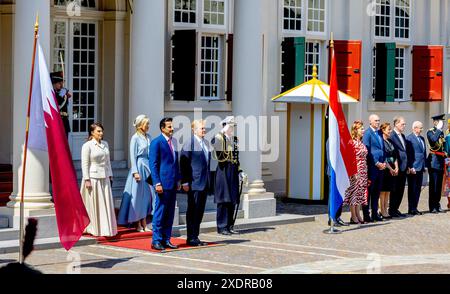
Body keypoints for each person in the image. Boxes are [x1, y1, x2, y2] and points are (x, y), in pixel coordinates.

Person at [117, 115, 155, 232]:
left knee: (147, 197)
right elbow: (132, 156)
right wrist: (135, 172)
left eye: (148, 124)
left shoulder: (148, 137)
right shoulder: (135, 138)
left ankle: (144, 222)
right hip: (139, 166)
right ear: (140, 125)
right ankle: (137, 223)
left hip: (148, 166)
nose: (148, 126)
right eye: (146, 124)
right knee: (137, 197)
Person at [149, 118, 182, 251]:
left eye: (172, 126)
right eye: (169, 127)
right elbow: (153, 164)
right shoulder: (156, 142)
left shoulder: (173, 142)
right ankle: (156, 240)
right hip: (162, 183)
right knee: (160, 212)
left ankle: (166, 239)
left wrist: (178, 179)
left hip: (172, 183)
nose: (172, 129)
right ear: (162, 128)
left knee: (170, 213)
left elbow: (175, 162)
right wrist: (157, 182)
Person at [80, 123, 117, 237]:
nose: (101, 133)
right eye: (98, 131)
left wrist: (110, 174)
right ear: (92, 132)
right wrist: (87, 179)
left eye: (102, 131)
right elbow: (85, 163)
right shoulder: (87, 145)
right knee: (93, 204)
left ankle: (105, 228)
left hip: (104, 177)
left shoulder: (105, 144)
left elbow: (108, 162)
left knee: (104, 203)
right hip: (93, 178)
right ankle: (92, 227)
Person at [180, 120, 212, 246]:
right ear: (194, 129)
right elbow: (184, 163)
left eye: (204, 128)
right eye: (201, 128)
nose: (204, 130)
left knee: (199, 211)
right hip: (194, 182)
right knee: (193, 211)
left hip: (203, 182)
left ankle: (195, 236)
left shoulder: (205, 143)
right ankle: (190, 237)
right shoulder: (190, 143)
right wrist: (185, 182)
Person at [211, 117, 241, 236]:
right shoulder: (218, 138)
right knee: (224, 199)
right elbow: (219, 156)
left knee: (232, 198)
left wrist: (240, 170)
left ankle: (229, 225)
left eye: (233, 126)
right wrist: (222, 134)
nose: (232, 128)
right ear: (225, 126)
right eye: (230, 126)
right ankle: (222, 226)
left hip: (232, 170)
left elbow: (236, 157)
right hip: (223, 170)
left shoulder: (234, 139)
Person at [344, 121, 368, 224]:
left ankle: (358, 214)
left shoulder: (361, 142)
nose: (363, 131)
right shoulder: (352, 143)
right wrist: (353, 172)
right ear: (355, 130)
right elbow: (349, 159)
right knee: (354, 193)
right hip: (356, 171)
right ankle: (353, 216)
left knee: (360, 193)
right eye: (361, 129)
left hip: (363, 170)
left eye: (363, 129)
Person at [363, 114, 386, 222]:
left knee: (377, 192)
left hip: (381, 167)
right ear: (370, 121)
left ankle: (375, 213)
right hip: (372, 167)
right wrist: (376, 162)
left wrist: (384, 162)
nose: (378, 122)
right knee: (369, 192)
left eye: (379, 120)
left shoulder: (379, 133)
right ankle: (366, 214)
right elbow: (367, 151)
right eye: (376, 120)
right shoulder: (368, 133)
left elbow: (382, 149)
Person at [426, 114, 447, 214]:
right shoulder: (430, 132)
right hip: (433, 161)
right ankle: (432, 206)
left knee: (438, 185)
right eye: (439, 121)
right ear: (435, 122)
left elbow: (442, 146)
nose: (441, 123)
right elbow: (433, 141)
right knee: (433, 185)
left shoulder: (441, 133)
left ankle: (437, 204)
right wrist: (438, 130)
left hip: (440, 160)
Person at [389, 117, 408, 218]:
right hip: (396, 166)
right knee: (395, 189)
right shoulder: (392, 135)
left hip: (404, 166)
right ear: (396, 124)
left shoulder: (403, 136)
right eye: (402, 124)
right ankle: (392, 209)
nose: (404, 126)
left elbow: (405, 151)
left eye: (404, 124)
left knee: (401, 189)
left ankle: (396, 208)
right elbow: (392, 151)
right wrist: (394, 165)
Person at [326, 139, 348, 227]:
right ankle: (332, 218)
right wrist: (333, 170)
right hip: (333, 172)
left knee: (340, 194)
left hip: (341, 172)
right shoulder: (331, 139)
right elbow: (329, 157)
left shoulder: (341, 139)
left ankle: (338, 217)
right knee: (333, 196)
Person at [406, 121, 427, 215]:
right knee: (412, 189)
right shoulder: (409, 138)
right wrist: (410, 166)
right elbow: (409, 154)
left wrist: (425, 165)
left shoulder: (422, 138)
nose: (421, 129)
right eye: (420, 128)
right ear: (414, 128)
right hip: (414, 167)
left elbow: (424, 153)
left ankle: (415, 207)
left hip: (421, 167)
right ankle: (411, 208)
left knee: (418, 188)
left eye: (422, 128)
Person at [379, 123, 398, 219]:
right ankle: (381, 210)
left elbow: (395, 156)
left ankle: (386, 210)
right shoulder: (381, 141)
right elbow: (384, 157)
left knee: (388, 191)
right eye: (388, 129)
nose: (390, 131)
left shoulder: (390, 141)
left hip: (392, 167)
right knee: (383, 191)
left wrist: (396, 167)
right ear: (383, 130)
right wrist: (390, 169)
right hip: (385, 169)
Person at [51, 71, 72, 138]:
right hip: (56, 121)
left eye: (62, 82)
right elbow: (58, 103)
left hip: (65, 122)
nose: (61, 84)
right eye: (59, 82)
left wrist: (64, 94)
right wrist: (61, 95)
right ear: (53, 83)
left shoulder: (63, 93)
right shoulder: (51, 93)